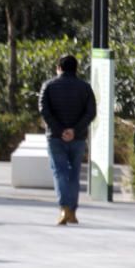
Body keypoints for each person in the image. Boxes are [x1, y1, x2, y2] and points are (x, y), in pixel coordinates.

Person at [39, 54, 97, 225]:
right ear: (76, 68)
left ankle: (65, 208)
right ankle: (72, 211)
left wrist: (60, 130)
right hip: (78, 138)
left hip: (55, 137)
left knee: (60, 172)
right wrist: (74, 130)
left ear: (59, 68)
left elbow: (44, 110)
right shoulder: (85, 88)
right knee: (74, 174)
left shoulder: (48, 86)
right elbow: (91, 112)